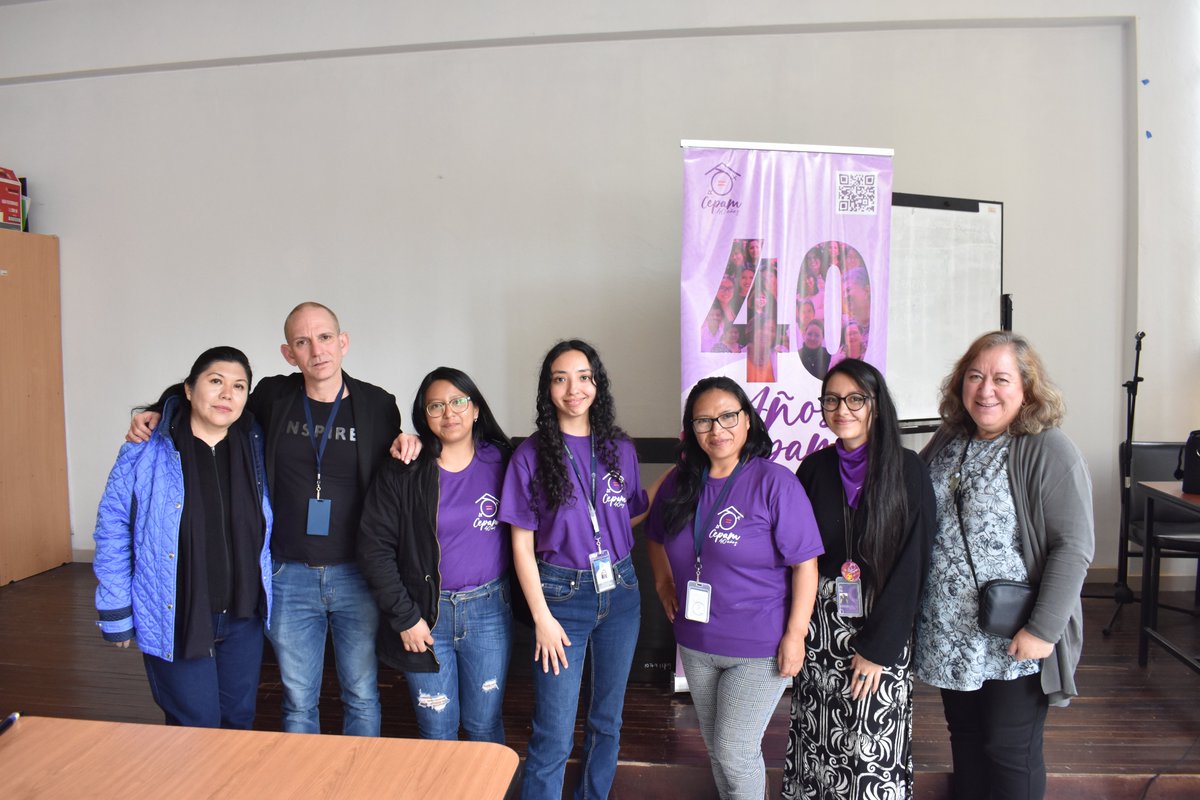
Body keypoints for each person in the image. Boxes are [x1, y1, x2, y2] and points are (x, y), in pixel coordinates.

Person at [128, 302, 416, 737]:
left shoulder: (379, 404)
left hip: (356, 574)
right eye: (302, 342)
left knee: (361, 692)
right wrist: (161, 410)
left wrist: (410, 442)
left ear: (343, 343)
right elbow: (214, 397)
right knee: (299, 698)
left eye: (324, 338)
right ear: (288, 354)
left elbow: (393, 468)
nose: (316, 350)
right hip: (287, 572)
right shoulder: (270, 397)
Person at [914, 331, 1095, 800]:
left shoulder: (1048, 448)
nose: (985, 389)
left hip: (1015, 635)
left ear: (1027, 389)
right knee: (967, 743)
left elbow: (1073, 547)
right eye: (975, 376)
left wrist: (1042, 630)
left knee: (1009, 750)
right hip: (952, 634)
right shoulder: (948, 439)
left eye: (1000, 378)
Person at [646, 376, 821, 800]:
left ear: (747, 421)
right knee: (717, 749)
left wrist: (796, 633)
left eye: (728, 416)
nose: (717, 429)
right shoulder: (679, 482)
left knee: (734, 749)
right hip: (696, 640)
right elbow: (653, 535)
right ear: (691, 430)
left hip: (758, 646)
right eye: (704, 421)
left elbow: (805, 565)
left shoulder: (775, 482)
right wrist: (664, 581)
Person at [499, 339, 648, 800]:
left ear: (597, 384)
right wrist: (542, 617)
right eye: (560, 378)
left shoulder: (618, 449)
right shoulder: (530, 454)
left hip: (621, 591)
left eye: (583, 376)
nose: (573, 388)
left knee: (607, 721)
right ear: (548, 390)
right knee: (554, 730)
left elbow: (631, 511)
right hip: (561, 598)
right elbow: (521, 545)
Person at [94, 346, 272, 729]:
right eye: (216, 381)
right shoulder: (145, 451)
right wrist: (116, 612)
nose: (228, 393)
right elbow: (112, 531)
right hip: (176, 614)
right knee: (196, 727)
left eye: (239, 386)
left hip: (243, 615)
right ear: (189, 390)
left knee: (239, 721)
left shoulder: (255, 446)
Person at [782, 359, 935, 799]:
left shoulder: (907, 470)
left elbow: (914, 564)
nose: (841, 409)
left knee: (869, 749)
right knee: (818, 740)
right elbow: (797, 555)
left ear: (875, 405)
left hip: (879, 626)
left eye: (854, 399)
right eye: (831, 399)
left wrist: (878, 648)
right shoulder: (812, 469)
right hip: (820, 627)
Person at [358, 367, 514, 743]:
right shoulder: (403, 470)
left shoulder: (507, 461)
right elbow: (373, 547)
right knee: (437, 728)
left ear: (476, 408)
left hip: (489, 611)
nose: (450, 413)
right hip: (425, 617)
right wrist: (405, 617)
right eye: (436, 406)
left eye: (459, 401)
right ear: (423, 417)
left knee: (484, 725)